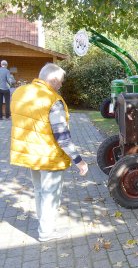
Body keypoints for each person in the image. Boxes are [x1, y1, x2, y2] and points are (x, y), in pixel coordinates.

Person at [10, 63, 89, 242]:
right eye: (60, 81)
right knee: (50, 194)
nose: (61, 85)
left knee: (39, 191)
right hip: (48, 155)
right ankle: (46, 232)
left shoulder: (19, 92)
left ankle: (44, 225)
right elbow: (62, 137)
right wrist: (79, 161)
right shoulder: (52, 99)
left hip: (30, 153)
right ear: (53, 79)